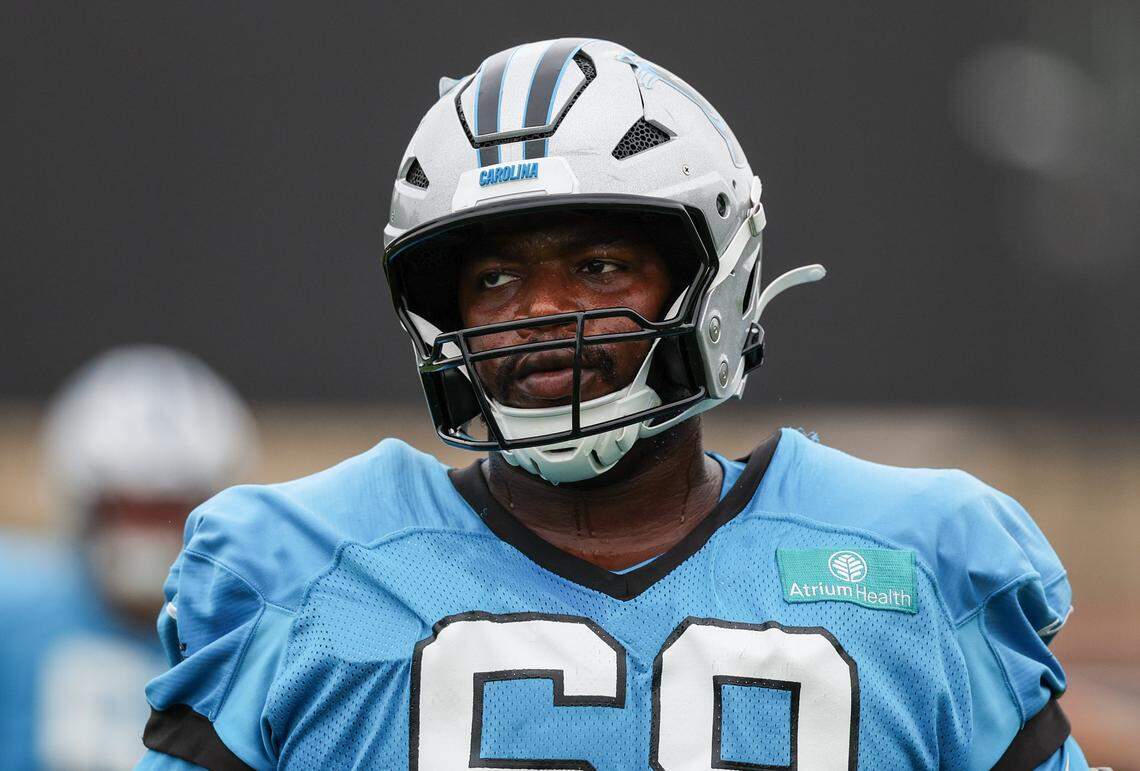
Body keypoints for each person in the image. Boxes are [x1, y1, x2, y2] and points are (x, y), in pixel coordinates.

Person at [136, 39, 1089, 769]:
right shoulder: (301, 573)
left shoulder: (917, 563)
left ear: (708, 281)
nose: (542, 314)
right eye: (497, 277)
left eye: (597, 266)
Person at [0, 345, 256, 770]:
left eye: (167, 512)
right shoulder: (14, 607)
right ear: (84, 509)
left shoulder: (250, 633)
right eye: (128, 509)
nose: (146, 537)